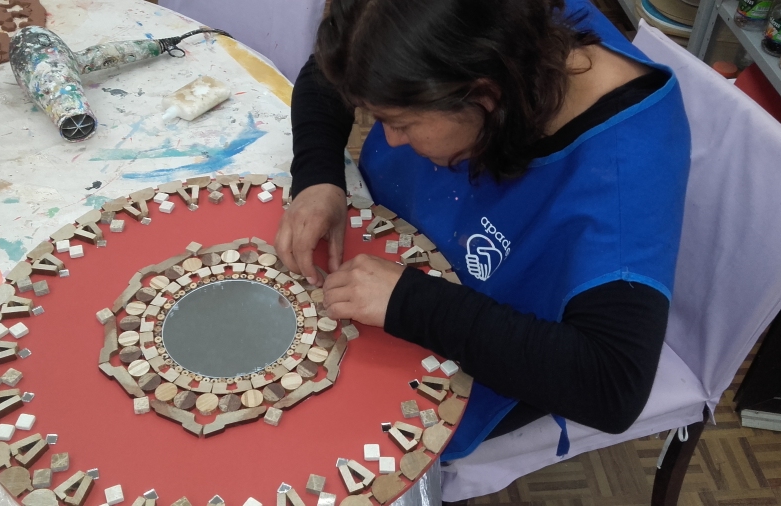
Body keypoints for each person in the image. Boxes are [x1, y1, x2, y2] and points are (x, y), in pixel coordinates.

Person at [274, 0, 691, 482]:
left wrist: (412, 302)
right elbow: (337, 72)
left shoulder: (626, 169)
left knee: (306, 444)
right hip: (392, 258)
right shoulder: (483, 31)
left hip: (495, 342)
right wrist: (318, 175)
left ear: (484, 97)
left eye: (403, 123)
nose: (388, 140)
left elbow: (611, 386)